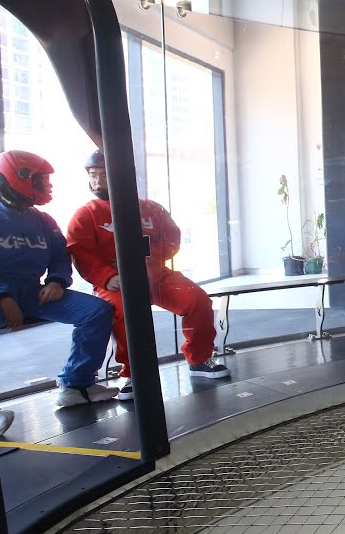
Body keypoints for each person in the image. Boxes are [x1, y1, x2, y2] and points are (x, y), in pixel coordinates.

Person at [67, 150, 229, 401]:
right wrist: (107, 277)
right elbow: (80, 253)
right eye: (93, 175)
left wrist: (148, 258)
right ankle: (134, 373)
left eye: (104, 175)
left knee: (196, 300)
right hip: (116, 282)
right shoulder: (86, 214)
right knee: (124, 314)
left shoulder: (150, 209)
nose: (98, 182)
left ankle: (199, 359)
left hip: (158, 276)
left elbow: (172, 238)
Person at [0, 151, 118, 425]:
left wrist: (56, 281)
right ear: (18, 179)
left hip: (31, 292)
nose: (47, 186)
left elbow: (60, 256)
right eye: (41, 181)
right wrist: (1, 296)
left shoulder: (43, 221)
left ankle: (77, 385)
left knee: (96, 312)